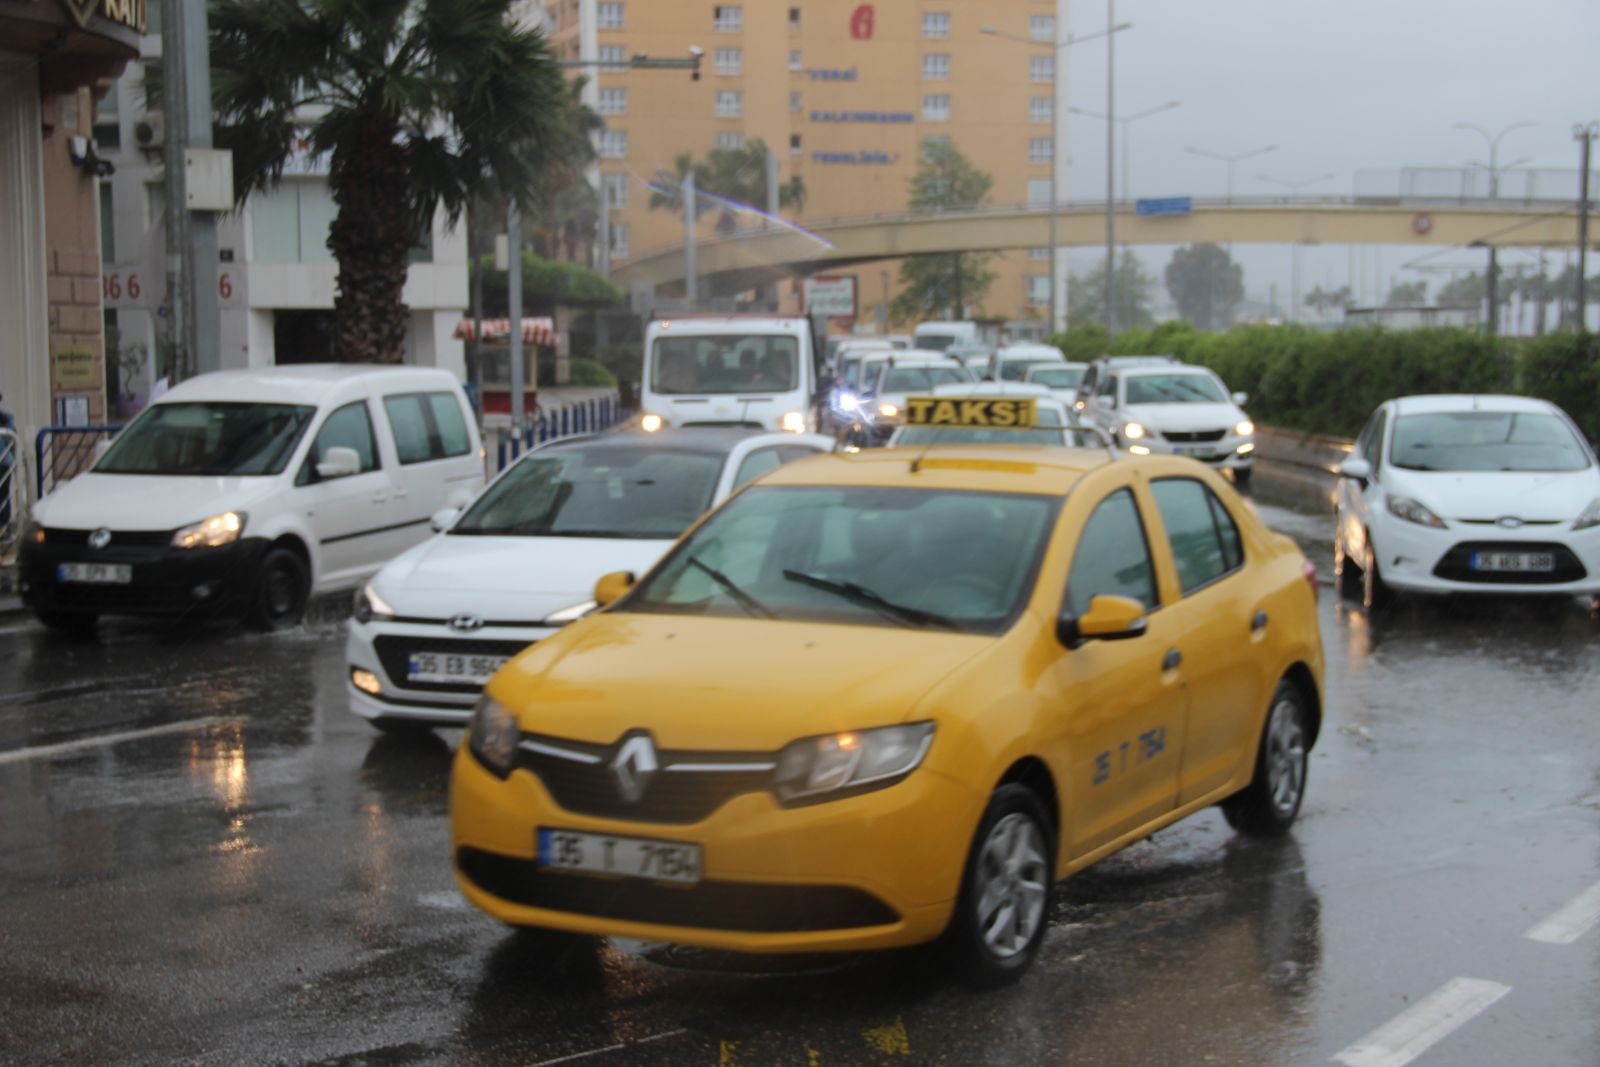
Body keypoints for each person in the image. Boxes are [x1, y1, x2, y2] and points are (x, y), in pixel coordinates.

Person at [0, 392, 15, 533]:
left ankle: (3, 527)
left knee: (3, 495)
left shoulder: (5, 419)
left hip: (3, 463)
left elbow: (12, 438)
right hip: (4, 461)